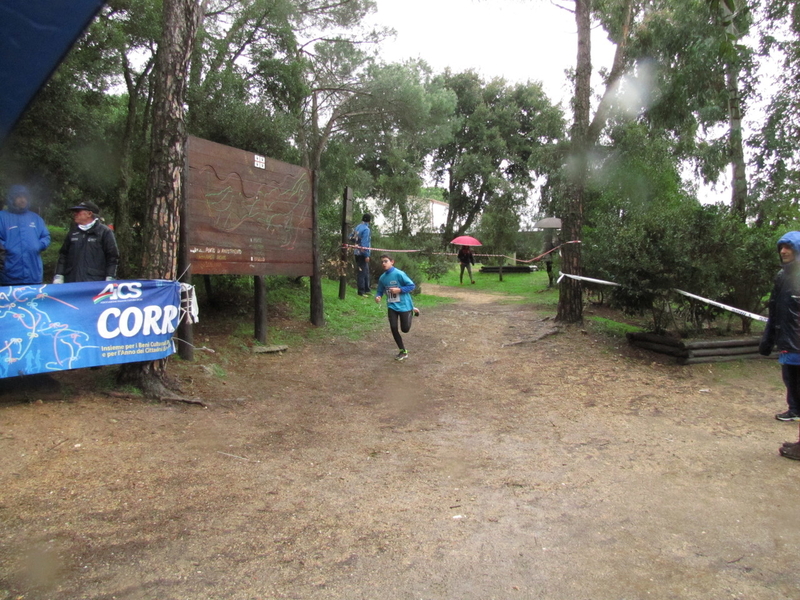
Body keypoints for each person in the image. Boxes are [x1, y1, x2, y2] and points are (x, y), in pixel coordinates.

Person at [758, 232, 800, 460]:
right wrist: (767, 340)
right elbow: (774, 311)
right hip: (788, 346)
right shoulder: (781, 277)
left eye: (789, 247)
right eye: (781, 247)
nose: (783, 251)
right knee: (794, 390)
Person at [53, 200, 119, 283]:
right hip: (71, 281)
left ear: (89, 214)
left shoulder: (104, 232)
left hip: (94, 283)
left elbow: (112, 257)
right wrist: (59, 275)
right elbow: (63, 255)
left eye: (78, 211)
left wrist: (110, 278)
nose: (75, 214)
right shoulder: (73, 232)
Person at [0, 185, 50, 285]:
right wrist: (6, 247)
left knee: (34, 301)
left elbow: (46, 236)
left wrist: (38, 245)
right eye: (19, 197)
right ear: (12, 199)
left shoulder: (35, 218)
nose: (22, 200)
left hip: (33, 275)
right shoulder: (2, 217)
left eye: (25, 197)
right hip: (9, 275)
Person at [375, 254, 417, 361]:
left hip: (404, 305)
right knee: (393, 327)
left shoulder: (399, 274)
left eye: (385, 261)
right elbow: (380, 290)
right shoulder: (382, 277)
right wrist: (378, 296)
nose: (383, 264)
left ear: (392, 262)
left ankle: (412, 310)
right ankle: (402, 351)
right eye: (382, 262)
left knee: (405, 329)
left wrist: (399, 290)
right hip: (392, 305)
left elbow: (411, 286)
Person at [351, 213, 372, 296]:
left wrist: (356, 243)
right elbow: (365, 243)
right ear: (369, 221)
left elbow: (351, 237)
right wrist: (366, 255)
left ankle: (367, 289)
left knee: (366, 271)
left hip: (356, 252)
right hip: (362, 253)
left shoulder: (358, 227)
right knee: (362, 273)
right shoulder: (366, 229)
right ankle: (361, 292)